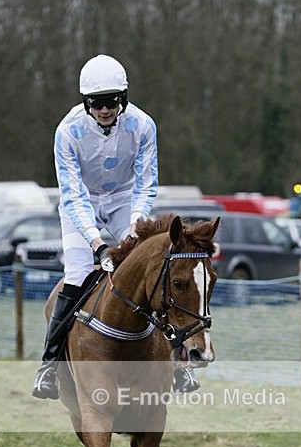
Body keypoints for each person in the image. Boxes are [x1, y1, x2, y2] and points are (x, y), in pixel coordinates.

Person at [32, 54, 199, 400]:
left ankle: (178, 362)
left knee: (149, 273)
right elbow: (73, 195)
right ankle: (49, 366)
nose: (104, 109)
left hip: (126, 201)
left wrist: (135, 233)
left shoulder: (143, 126)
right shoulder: (67, 132)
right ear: (85, 102)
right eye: (96, 103)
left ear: (122, 98)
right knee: (77, 275)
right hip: (82, 203)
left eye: (111, 102)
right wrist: (96, 243)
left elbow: (146, 185)